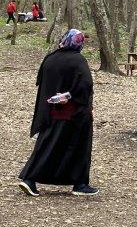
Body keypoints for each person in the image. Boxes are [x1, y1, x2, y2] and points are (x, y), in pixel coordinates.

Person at [18, 29, 100, 197]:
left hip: (50, 112)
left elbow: (43, 83)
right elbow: (84, 86)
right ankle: (79, 183)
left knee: (47, 145)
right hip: (75, 114)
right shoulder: (78, 61)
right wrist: (70, 96)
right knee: (78, 148)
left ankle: (30, 180)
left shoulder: (50, 59)